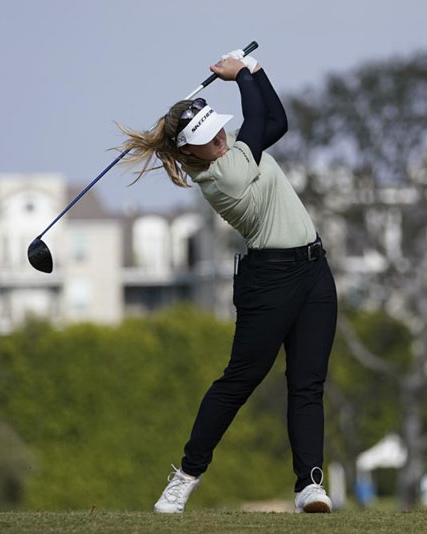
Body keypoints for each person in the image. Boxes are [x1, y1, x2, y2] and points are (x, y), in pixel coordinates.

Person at [116, 49, 338, 514]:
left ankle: (310, 486)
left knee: (307, 384)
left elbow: (275, 120)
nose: (218, 137)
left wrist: (257, 71)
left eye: (217, 128)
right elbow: (257, 116)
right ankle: (184, 478)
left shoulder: (232, 147)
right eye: (206, 136)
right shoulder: (223, 173)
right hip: (270, 280)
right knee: (239, 381)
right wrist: (241, 75)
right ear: (187, 152)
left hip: (314, 272)